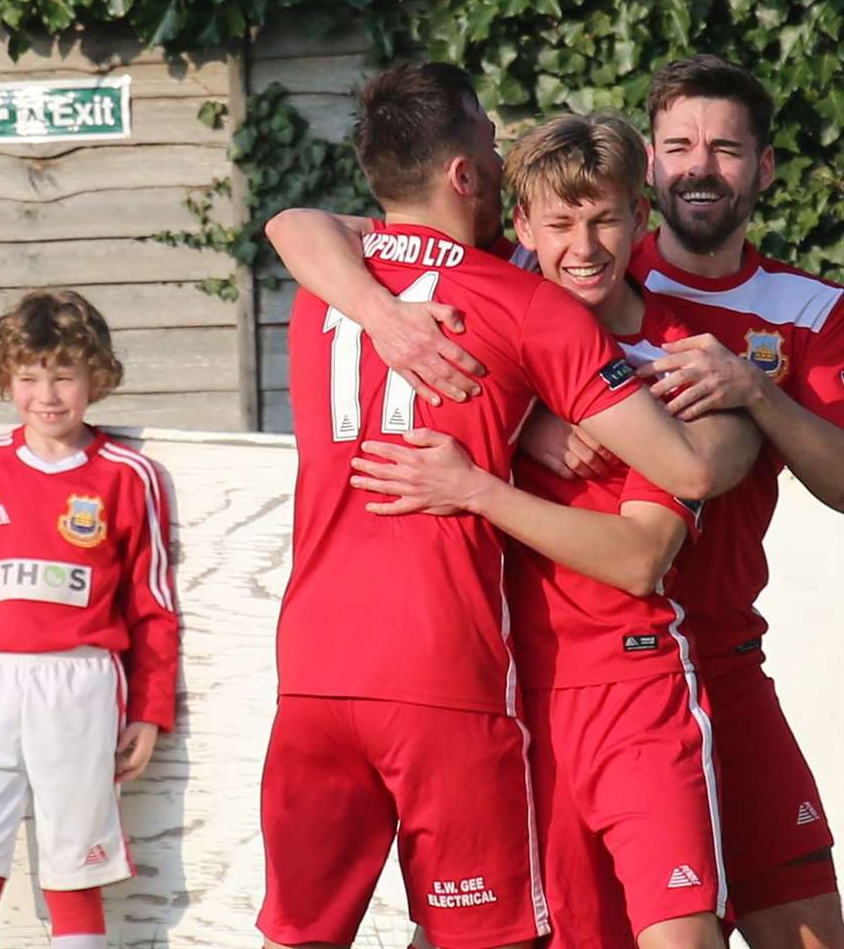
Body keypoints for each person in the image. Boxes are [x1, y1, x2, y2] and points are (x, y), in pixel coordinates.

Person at [271, 55, 844, 949]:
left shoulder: (717, 336)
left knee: (793, 927)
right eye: (679, 143)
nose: (700, 164)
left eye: (726, 148)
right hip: (528, 683)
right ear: (651, 164)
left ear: (759, 168)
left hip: (691, 665)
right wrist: (513, 402)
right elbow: (301, 224)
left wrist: (755, 400)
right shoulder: (517, 290)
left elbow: (683, 494)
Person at [345, 113, 757, 948]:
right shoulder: (481, 324)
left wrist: (475, 487)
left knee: (681, 937)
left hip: (633, 692)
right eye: (560, 224)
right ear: (520, 227)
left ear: (640, 217)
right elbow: (300, 229)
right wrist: (521, 417)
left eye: (604, 218)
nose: (584, 245)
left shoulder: (686, 362)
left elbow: (642, 558)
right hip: (501, 699)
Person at [0, 289, 179, 949]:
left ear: (96, 377)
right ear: (6, 379)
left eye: (64, 375)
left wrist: (148, 709)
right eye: (29, 377)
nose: (47, 394)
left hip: (79, 683)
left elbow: (151, 606)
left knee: (73, 856)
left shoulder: (128, 475)